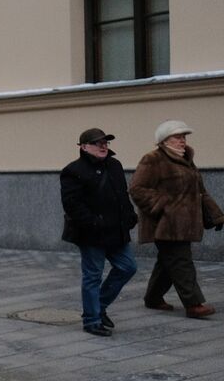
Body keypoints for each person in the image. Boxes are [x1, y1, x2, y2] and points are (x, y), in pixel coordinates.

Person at [128, 120, 224, 319]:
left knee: (167, 262)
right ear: (164, 140)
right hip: (166, 224)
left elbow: (200, 192)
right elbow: (137, 189)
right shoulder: (153, 159)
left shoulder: (186, 159)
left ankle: (153, 298)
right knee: (181, 261)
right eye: (177, 137)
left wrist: (216, 215)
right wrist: (165, 205)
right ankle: (194, 304)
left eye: (184, 137)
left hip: (186, 223)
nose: (182, 141)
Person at [61, 127, 138, 336]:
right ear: (84, 147)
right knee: (93, 275)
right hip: (91, 233)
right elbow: (72, 205)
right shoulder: (73, 170)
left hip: (116, 231)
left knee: (128, 267)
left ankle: (99, 306)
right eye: (98, 143)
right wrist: (94, 223)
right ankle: (91, 320)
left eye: (106, 142)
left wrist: (130, 214)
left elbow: (122, 195)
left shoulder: (114, 165)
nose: (103, 146)